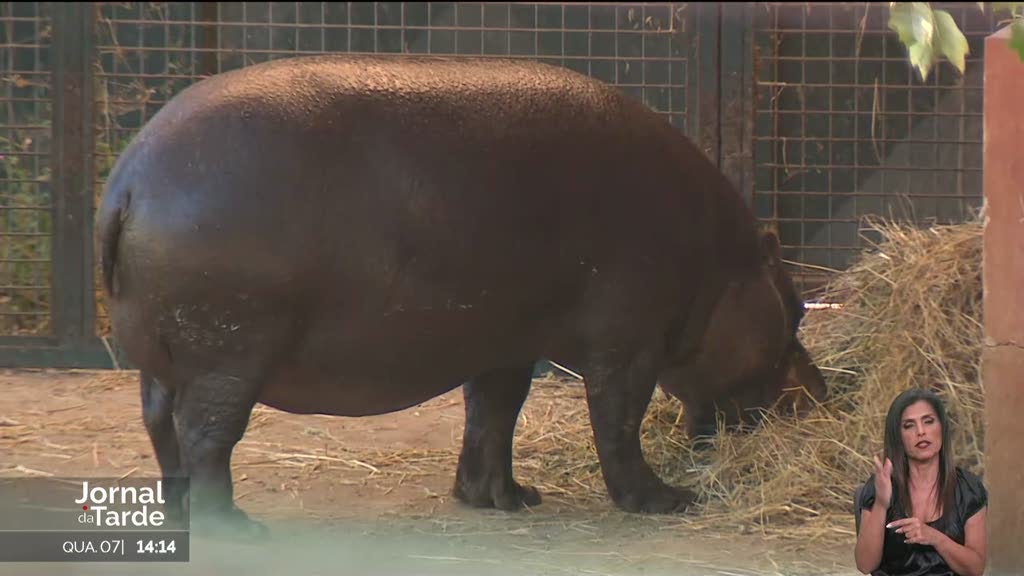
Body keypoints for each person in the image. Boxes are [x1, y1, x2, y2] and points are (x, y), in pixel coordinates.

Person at [853, 388, 987, 576]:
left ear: (942, 427)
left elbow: (975, 569)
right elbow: (865, 565)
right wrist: (881, 504)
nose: (921, 432)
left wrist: (935, 538)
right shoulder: (880, 486)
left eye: (928, 421)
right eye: (909, 425)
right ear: (898, 436)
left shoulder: (968, 488)